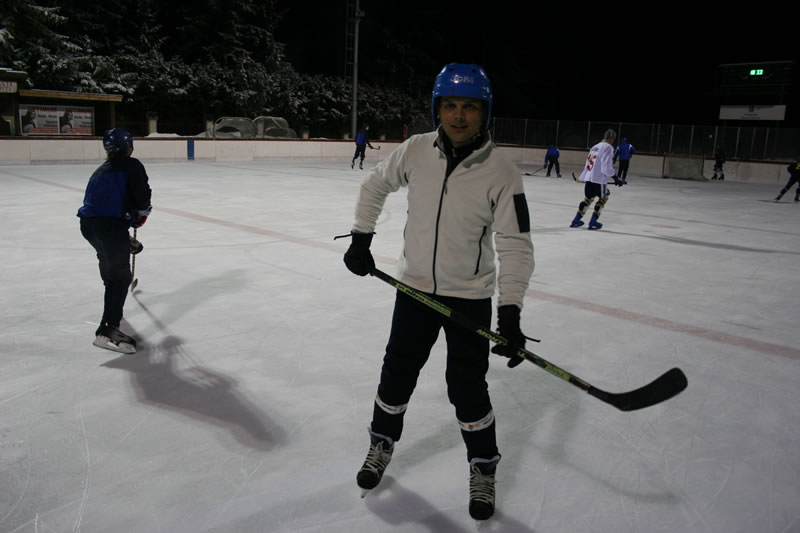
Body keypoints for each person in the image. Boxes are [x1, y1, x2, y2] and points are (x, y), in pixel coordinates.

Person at [342, 63, 534, 523]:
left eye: (470, 106)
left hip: (468, 298)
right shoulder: (415, 151)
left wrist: (509, 312)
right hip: (412, 292)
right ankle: (381, 445)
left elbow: (515, 244)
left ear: (484, 112)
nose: (459, 115)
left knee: (467, 390)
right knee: (396, 376)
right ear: (437, 108)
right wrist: (361, 238)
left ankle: (483, 468)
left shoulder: (502, 172)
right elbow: (375, 185)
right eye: (450, 105)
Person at [77, 128, 152, 354]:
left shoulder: (100, 171)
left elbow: (100, 203)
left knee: (110, 269)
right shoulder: (132, 165)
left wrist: (124, 234)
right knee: (121, 276)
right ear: (129, 146)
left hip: (89, 226)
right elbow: (142, 195)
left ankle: (113, 306)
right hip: (109, 228)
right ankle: (107, 329)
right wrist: (141, 214)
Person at [570, 129, 623, 230]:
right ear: (612, 139)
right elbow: (606, 167)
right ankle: (593, 222)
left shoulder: (595, 146)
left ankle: (576, 220)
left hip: (589, 177)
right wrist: (615, 177)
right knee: (604, 196)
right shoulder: (608, 147)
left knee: (588, 198)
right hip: (598, 178)